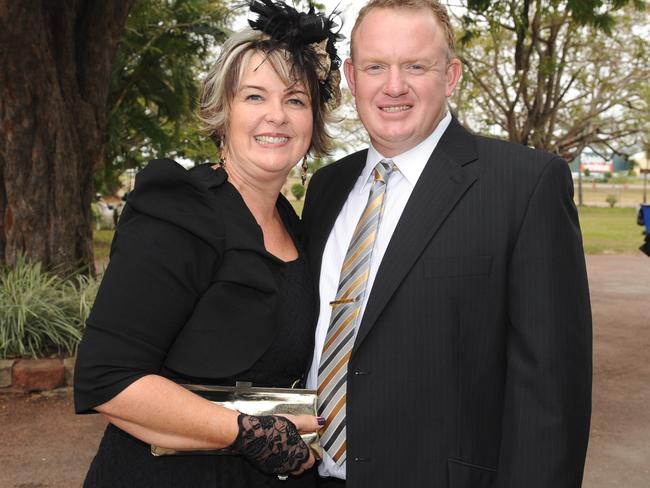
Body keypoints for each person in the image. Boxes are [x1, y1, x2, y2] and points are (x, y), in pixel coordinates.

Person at [302, 1, 592, 487]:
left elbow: (552, 394)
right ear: (352, 76)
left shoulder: (525, 185)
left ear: (451, 74)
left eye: (416, 65)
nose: (394, 86)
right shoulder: (327, 188)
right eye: (376, 66)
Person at [73, 1, 342, 486]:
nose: (276, 116)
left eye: (296, 100)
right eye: (255, 97)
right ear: (223, 111)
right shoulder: (181, 212)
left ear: (313, 122)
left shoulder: (297, 225)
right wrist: (248, 433)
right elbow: (108, 379)